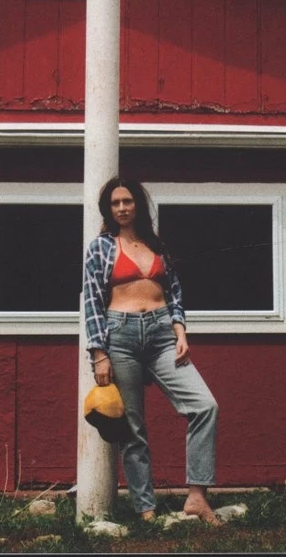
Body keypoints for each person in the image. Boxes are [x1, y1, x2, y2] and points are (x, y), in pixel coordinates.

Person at [82, 176, 219, 523]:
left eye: (127, 201)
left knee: (205, 405)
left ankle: (197, 498)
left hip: (162, 336)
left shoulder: (157, 246)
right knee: (132, 427)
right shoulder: (101, 247)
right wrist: (99, 353)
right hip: (120, 335)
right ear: (108, 210)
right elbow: (92, 303)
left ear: (138, 204)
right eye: (115, 203)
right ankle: (146, 510)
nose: (122, 208)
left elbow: (174, 293)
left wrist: (180, 331)